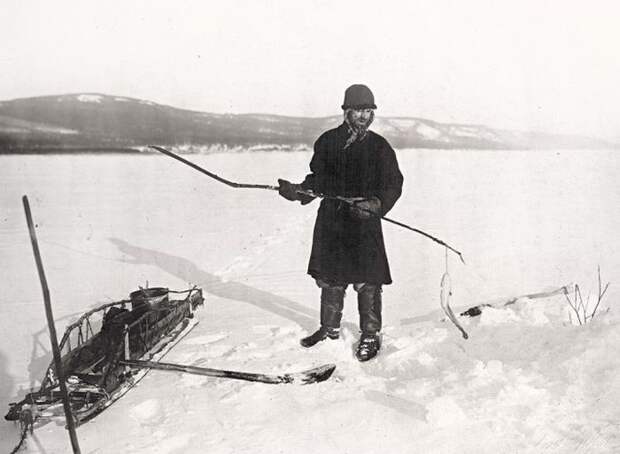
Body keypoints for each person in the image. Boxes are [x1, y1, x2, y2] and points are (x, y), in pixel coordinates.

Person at [278, 84, 404, 361]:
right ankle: (329, 328)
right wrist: (299, 191)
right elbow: (318, 179)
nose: (364, 116)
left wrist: (377, 205)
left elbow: (394, 183)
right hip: (332, 219)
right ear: (346, 111)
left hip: (363, 220)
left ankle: (370, 333)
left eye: (369, 111)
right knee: (331, 277)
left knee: (367, 280)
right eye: (359, 110)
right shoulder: (327, 141)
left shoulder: (380, 147)